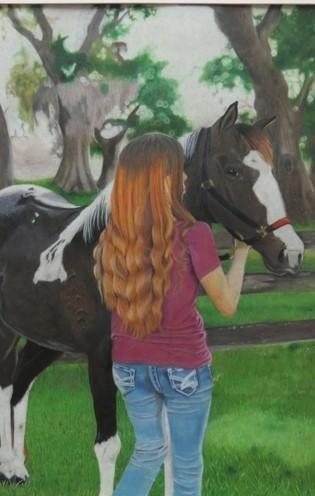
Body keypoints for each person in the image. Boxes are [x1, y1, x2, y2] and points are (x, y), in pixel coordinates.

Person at [93, 132, 250, 496]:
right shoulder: (195, 234)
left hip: (129, 367)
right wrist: (240, 254)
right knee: (187, 464)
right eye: (179, 171)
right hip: (184, 369)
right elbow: (226, 304)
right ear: (162, 179)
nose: (184, 179)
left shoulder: (112, 238)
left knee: (148, 451)